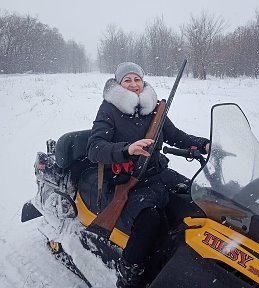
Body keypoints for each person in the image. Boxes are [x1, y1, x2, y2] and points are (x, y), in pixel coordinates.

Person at [87, 62, 209, 288]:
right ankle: (129, 272)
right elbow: (95, 148)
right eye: (127, 80)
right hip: (128, 182)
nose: (133, 85)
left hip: (160, 175)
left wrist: (203, 145)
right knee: (149, 221)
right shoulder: (109, 109)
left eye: (137, 80)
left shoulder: (154, 107)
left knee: (198, 199)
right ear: (118, 83)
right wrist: (126, 149)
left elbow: (175, 135)